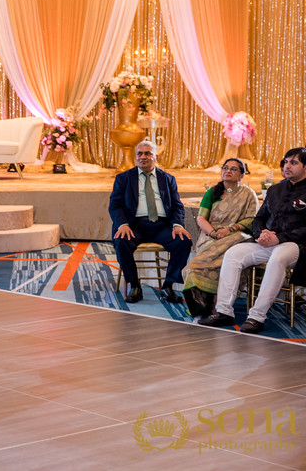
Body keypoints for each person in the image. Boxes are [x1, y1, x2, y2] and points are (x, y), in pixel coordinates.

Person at [199, 147, 306, 334]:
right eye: (286, 162)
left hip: (295, 244)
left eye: (294, 162)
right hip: (266, 241)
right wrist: (261, 233)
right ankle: (224, 311)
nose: (287, 166)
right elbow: (258, 218)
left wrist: (278, 238)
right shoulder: (275, 190)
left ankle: (257, 316)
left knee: (278, 257)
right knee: (233, 254)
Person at [109, 140, 192, 304]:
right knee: (121, 241)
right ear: (135, 157)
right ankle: (134, 285)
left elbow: (177, 205)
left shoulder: (168, 179)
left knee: (183, 241)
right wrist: (123, 224)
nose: (143, 157)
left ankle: (168, 286)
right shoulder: (123, 178)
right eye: (139, 154)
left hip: (161, 225)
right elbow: (115, 205)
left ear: (156, 157)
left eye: (148, 153)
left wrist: (177, 225)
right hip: (133, 225)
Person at [181, 158, 258, 316]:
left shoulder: (248, 194)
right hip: (211, 236)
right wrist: (214, 233)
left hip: (237, 236)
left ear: (242, 175)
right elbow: (201, 218)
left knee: (229, 258)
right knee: (200, 264)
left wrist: (230, 230)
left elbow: (252, 220)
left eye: (233, 169)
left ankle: (219, 302)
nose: (228, 171)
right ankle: (206, 302)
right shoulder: (212, 192)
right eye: (225, 168)